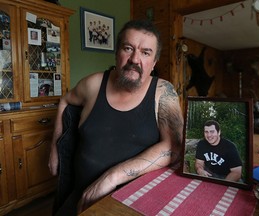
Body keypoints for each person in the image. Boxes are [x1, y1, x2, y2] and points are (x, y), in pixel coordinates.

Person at [48, 19, 183, 215]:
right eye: (128, 48)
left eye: (145, 52)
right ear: (117, 54)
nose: (135, 59)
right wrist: (55, 148)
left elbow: (175, 147)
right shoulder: (92, 84)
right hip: (81, 198)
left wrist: (112, 177)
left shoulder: (163, 92)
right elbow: (64, 101)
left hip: (132, 205)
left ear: (153, 64)